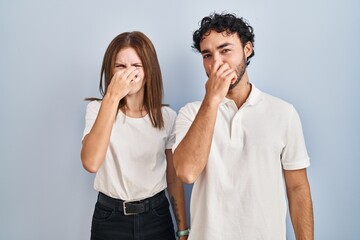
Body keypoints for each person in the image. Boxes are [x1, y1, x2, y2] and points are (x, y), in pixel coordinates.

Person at [172, 13, 314, 239]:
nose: (217, 62)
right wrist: (212, 100)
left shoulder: (283, 113)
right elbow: (187, 173)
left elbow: (297, 188)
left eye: (225, 50)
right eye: (207, 55)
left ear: (247, 50)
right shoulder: (190, 114)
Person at [81, 31, 188, 240]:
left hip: (156, 216)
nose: (128, 73)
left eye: (136, 66)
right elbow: (91, 163)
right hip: (110, 218)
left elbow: (174, 177)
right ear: (110, 71)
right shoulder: (97, 110)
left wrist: (182, 229)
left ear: (149, 71)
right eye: (120, 67)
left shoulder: (167, 116)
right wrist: (112, 96)